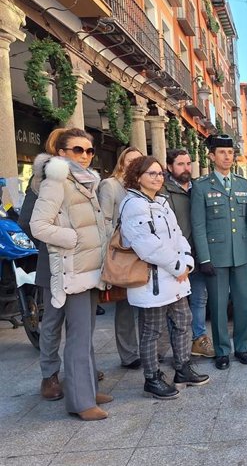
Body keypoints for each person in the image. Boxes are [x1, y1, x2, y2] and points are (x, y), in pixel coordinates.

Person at [29, 128, 111, 421]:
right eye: (78, 150)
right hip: (73, 270)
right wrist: (73, 239)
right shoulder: (56, 181)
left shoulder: (86, 181)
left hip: (90, 269)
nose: (86, 156)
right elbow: (38, 225)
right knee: (76, 336)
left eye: (89, 151)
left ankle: (87, 388)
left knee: (85, 335)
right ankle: (80, 401)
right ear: (62, 154)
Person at [120, 156, 209, 399]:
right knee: (153, 331)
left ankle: (182, 367)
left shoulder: (161, 202)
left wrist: (187, 261)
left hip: (176, 278)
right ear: (137, 177)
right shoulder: (133, 205)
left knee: (183, 322)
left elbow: (178, 234)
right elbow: (147, 246)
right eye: (152, 174)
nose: (158, 178)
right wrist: (178, 265)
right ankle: (152, 378)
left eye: (160, 173)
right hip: (153, 281)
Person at [191, 135, 247, 370]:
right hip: (216, 256)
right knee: (218, 306)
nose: (227, 157)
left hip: (240, 253)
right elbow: (198, 225)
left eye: (230, 153)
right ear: (211, 156)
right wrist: (205, 257)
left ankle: (242, 347)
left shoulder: (242, 184)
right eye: (222, 152)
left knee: (243, 303)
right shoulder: (201, 186)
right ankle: (222, 350)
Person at [162, 149, 214, 359]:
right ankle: (178, 343)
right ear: (170, 167)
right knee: (175, 303)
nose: (186, 168)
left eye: (188, 163)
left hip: (198, 253)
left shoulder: (198, 188)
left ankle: (199, 339)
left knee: (200, 299)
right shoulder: (163, 191)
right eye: (180, 164)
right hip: (175, 257)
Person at [97, 147, 143, 369]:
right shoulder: (110, 185)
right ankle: (129, 354)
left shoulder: (143, 186)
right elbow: (104, 222)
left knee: (145, 304)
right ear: (122, 162)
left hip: (142, 251)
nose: (134, 164)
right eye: (130, 160)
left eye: (139, 161)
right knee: (124, 306)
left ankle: (148, 349)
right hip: (122, 252)